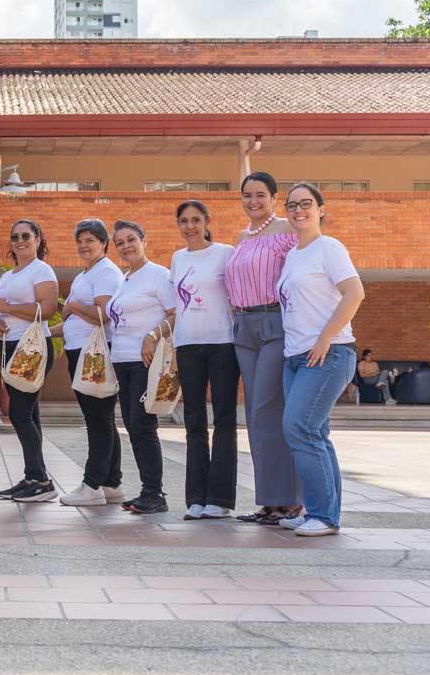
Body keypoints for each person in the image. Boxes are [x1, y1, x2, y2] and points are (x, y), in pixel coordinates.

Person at [276, 183, 364, 537]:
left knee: (298, 427)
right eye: (292, 205)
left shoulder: (328, 247)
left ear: (321, 209)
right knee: (316, 433)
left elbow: (355, 293)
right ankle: (322, 512)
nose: (299, 210)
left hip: (328, 353)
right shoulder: (293, 254)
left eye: (306, 204)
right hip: (295, 357)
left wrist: (324, 339)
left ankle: (323, 516)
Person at [225, 171, 302, 526]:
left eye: (260, 194)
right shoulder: (243, 236)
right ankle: (269, 501)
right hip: (245, 326)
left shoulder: (288, 230)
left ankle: (290, 500)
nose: (252, 201)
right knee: (255, 414)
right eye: (246, 195)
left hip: (275, 322)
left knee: (269, 408)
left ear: (274, 197)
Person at [170, 200, 238, 520]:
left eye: (196, 220)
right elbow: (175, 306)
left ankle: (220, 499)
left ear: (208, 221)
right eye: (184, 221)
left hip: (222, 343)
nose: (190, 226)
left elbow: (238, 296)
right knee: (194, 422)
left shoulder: (225, 252)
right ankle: (196, 497)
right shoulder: (177, 258)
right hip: (188, 345)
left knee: (223, 420)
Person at [52, 219, 124, 507]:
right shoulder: (86, 274)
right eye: (80, 240)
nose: (84, 245)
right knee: (101, 419)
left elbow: (101, 315)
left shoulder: (106, 271)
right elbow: (72, 323)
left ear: (104, 243)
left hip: (94, 354)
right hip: (79, 351)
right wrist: (42, 333)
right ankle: (111, 483)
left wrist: (70, 307)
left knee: (98, 420)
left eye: (90, 240)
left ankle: (91, 485)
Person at [106, 220, 176, 515]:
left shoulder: (159, 276)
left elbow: (176, 314)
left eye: (131, 239)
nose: (126, 246)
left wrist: (153, 335)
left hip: (144, 361)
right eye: (120, 242)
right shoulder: (125, 278)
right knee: (133, 427)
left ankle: (154, 493)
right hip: (121, 361)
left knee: (143, 427)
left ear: (144, 239)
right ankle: (148, 491)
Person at [0, 219, 59, 502]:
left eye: (26, 236)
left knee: (18, 413)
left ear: (38, 240)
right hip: (9, 346)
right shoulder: (8, 276)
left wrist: (8, 308)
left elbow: (48, 308)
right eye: (15, 237)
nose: (20, 241)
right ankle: (35, 476)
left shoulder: (42, 270)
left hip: (31, 348)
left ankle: (40, 479)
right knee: (30, 414)